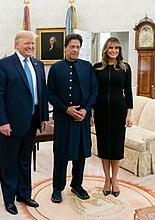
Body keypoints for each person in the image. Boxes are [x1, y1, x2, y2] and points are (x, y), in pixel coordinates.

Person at [0, 30, 49, 215]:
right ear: (17, 45)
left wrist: (43, 117)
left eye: (33, 44)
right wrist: (2, 122)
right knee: (9, 162)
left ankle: (24, 194)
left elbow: (42, 93)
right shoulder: (4, 65)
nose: (31, 47)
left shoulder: (38, 65)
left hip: (32, 121)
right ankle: (9, 200)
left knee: (25, 160)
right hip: (10, 123)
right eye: (27, 44)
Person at [47, 33, 98, 203]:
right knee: (61, 155)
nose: (75, 50)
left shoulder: (87, 66)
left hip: (81, 119)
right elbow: (50, 94)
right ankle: (57, 188)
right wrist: (65, 109)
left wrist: (86, 110)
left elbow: (94, 91)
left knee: (80, 154)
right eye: (72, 47)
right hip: (63, 118)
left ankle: (77, 185)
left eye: (77, 47)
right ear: (66, 47)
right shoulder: (55, 68)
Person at [92, 37, 133, 197]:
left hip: (119, 110)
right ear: (105, 50)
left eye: (116, 48)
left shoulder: (125, 68)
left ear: (119, 50)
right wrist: (92, 113)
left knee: (116, 146)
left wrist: (129, 113)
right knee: (104, 146)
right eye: (111, 48)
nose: (114, 51)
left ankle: (115, 179)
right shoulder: (97, 68)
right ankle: (106, 179)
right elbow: (93, 91)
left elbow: (128, 91)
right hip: (101, 110)